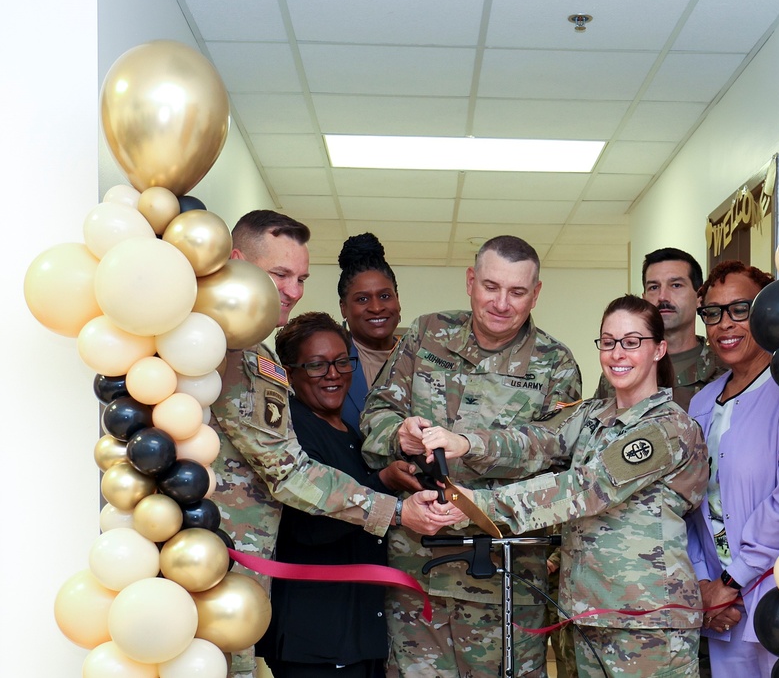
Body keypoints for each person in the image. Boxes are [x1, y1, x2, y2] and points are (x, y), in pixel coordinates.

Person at [208, 210, 453, 678]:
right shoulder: (230, 351)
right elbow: (289, 472)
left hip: (247, 578)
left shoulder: (255, 351)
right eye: (280, 274)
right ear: (237, 263)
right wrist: (396, 511)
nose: (294, 290)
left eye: (301, 277)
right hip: (220, 568)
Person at [420, 295, 709, 678]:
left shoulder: (667, 428)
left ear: (659, 349)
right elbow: (535, 442)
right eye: (608, 341)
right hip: (587, 614)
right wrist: (467, 442)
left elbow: (585, 488)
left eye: (631, 341)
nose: (617, 353)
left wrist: (482, 503)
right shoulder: (593, 415)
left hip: (646, 623)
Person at [361, 234, 583, 678]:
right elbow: (374, 417)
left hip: (505, 577)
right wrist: (399, 434)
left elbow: (558, 451)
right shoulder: (426, 334)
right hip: (417, 569)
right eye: (491, 286)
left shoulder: (555, 363)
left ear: (536, 293)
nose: (501, 302)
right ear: (470, 281)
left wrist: (471, 444)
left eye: (517, 291)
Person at [258, 312, 409, 678]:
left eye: (343, 361)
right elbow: (309, 527)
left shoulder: (350, 432)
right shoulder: (291, 434)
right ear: (290, 373)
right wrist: (385, 482)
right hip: (318, 639)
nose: (334, 373)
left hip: (359, 633)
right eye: (316, 365)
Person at [684, 260, 779, 678]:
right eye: (712, 313)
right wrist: (704, 586)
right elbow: (686, 502)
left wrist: (732, 581)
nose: (724, 324)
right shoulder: (700, 404)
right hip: (722, 609)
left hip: (778, 595)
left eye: (741, 309)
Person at [595, 247, 723, 411]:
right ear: (644, 298)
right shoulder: (620, 369)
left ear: (699, 298)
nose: (662, 297)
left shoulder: (723, 371)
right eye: (654, 287)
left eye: (676, 285)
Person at [337, 233, 403, 436]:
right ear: (344, 309)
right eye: (362, 299)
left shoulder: (421, 358)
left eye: (384, 296)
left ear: (397, 299)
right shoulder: (330, 365)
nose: (376, 308)